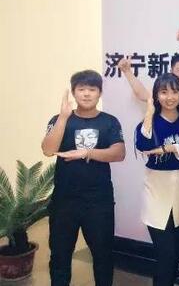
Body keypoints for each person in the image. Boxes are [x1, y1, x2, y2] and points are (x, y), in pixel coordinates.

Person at [41, 70, 125, 286]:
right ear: (74, 92)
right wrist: (63, 117)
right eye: (81, 89)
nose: (87, 94)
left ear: (100, 93)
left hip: (99, 201)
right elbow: (48, 150)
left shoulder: (109, 122)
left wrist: (86, 153)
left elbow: (119, 153)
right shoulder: (59, 120)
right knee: (59, 256)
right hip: (64, 201)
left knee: (103, 256)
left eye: (92, 89)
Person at [134, 73, 179, 286]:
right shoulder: (151, 121)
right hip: (157, 192)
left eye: (174, 92)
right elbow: (142, 145)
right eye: (163, 92)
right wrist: (149, 112)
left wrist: (167, 148)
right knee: (166, 256)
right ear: (156, 95)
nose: (170, 97)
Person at [118, 23, 179, 134]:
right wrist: (127, 72)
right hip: (171, 139)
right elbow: (143, 95)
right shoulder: (165, 91)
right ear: (171, 71)